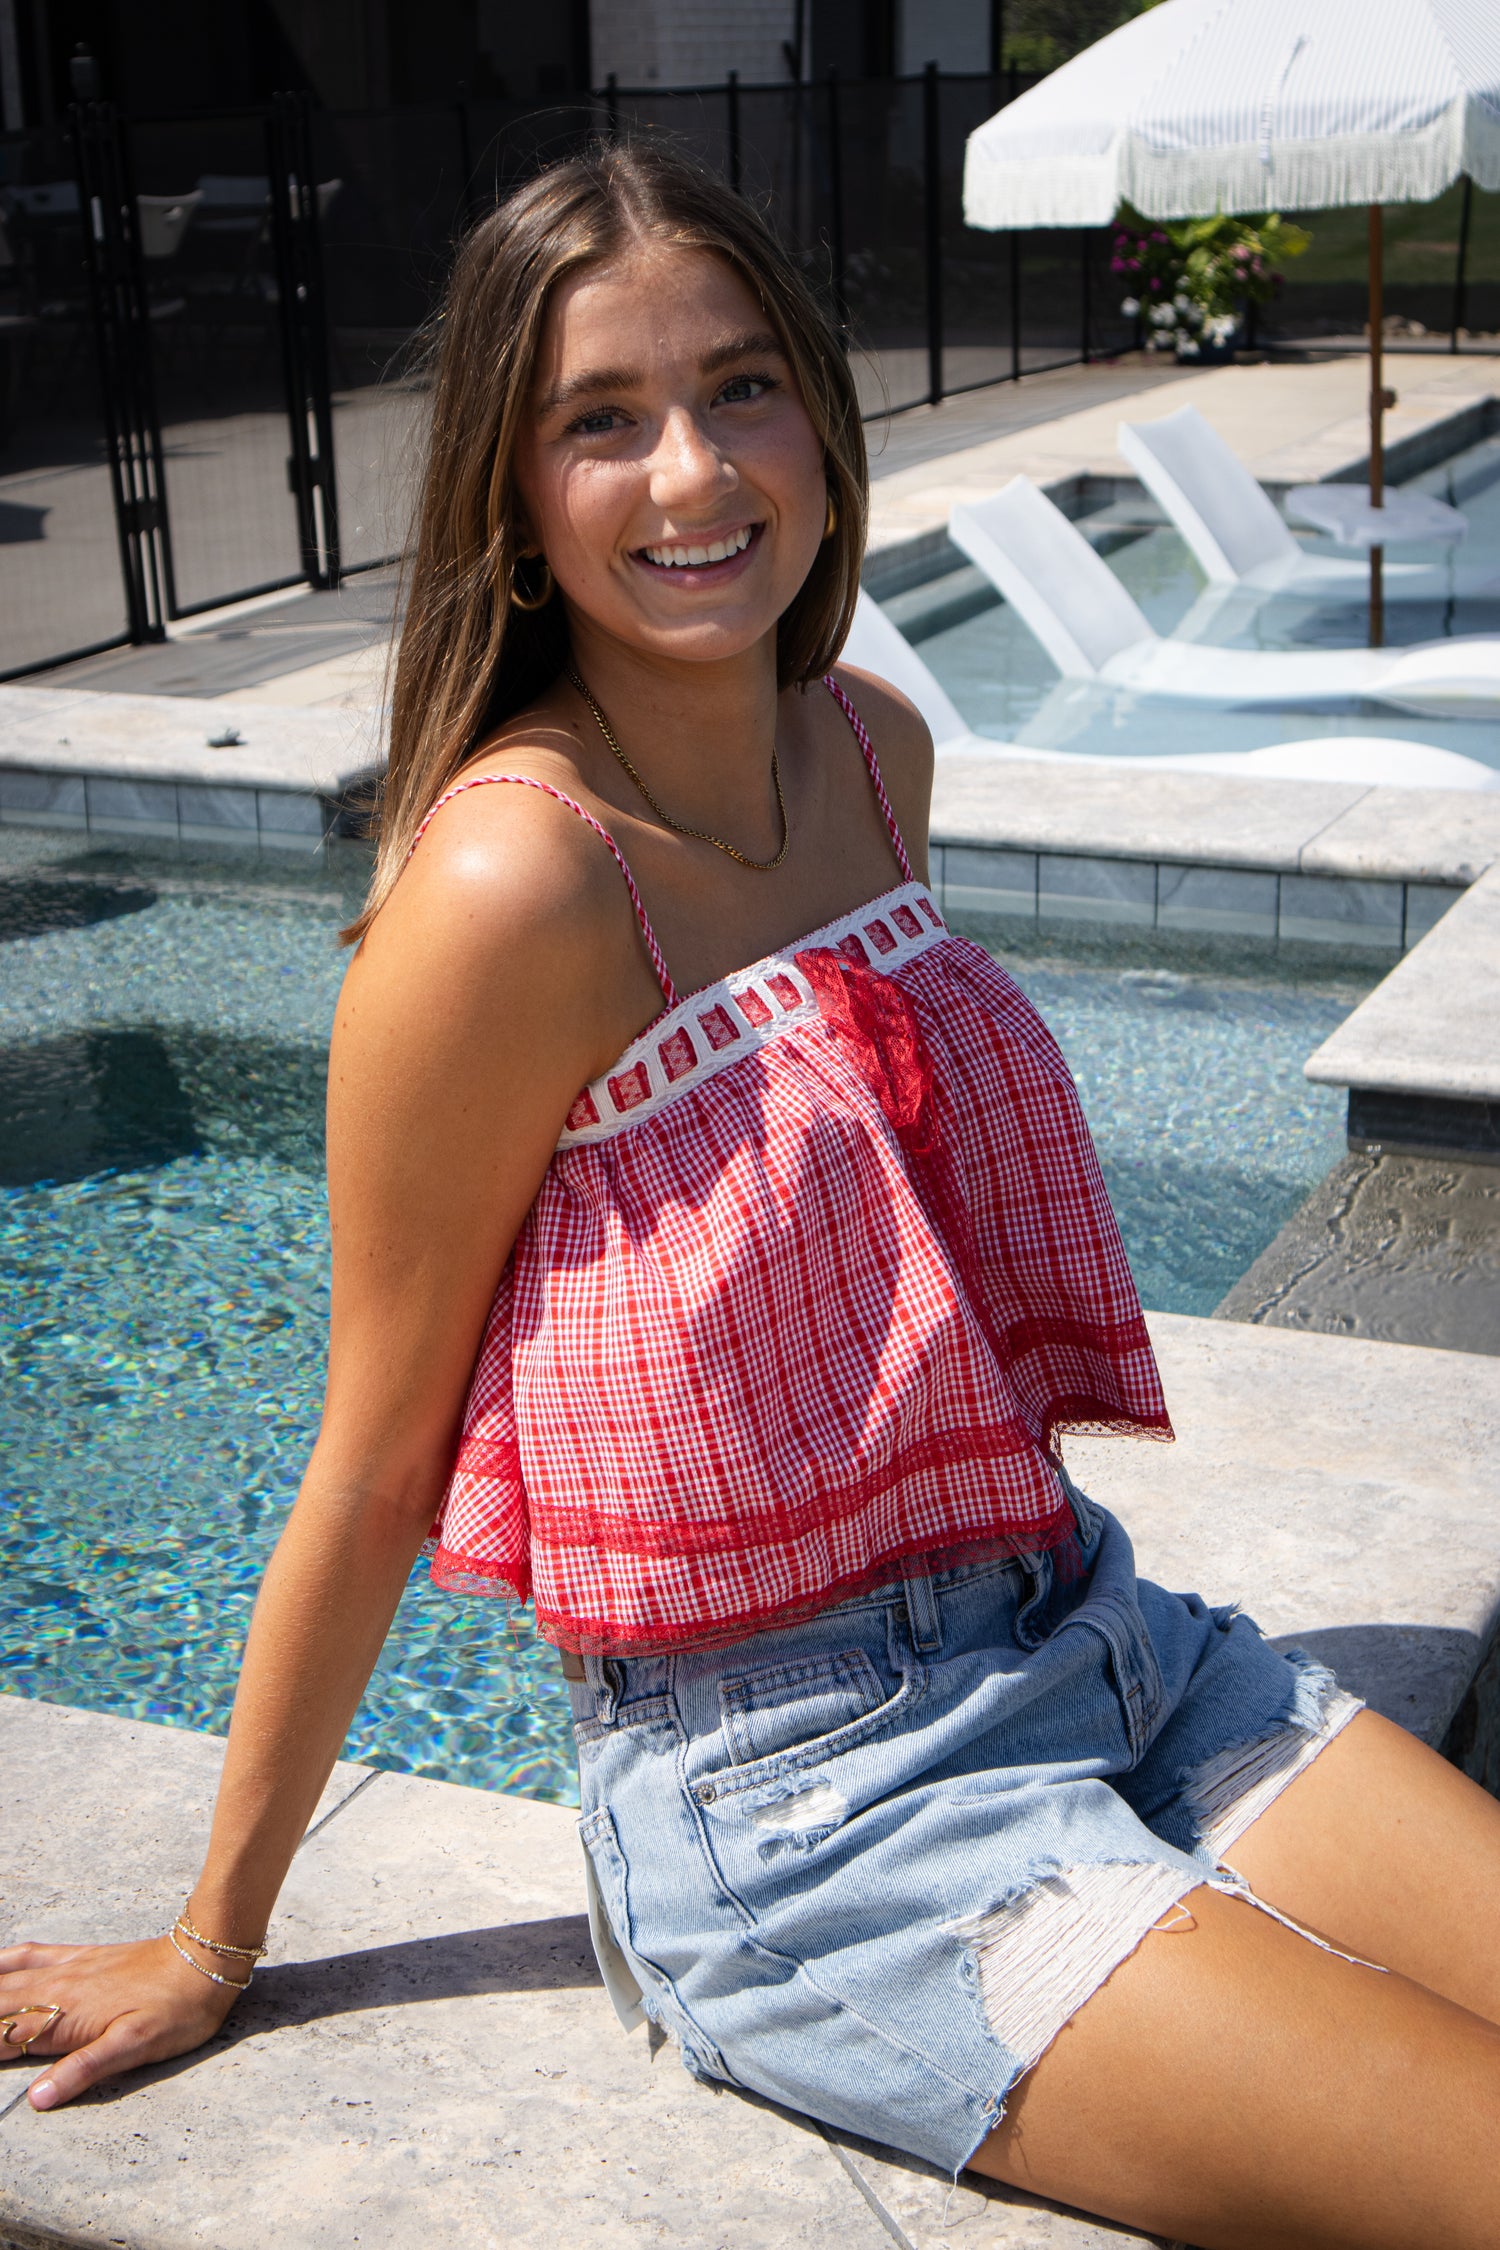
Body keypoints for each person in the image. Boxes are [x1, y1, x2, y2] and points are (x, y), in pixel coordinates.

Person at [4, 143, 1498, 2249]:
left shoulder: (881, 748)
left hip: (1099, 1628)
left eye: (740, 389)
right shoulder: (512, 889)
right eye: (600, 421)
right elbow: (370, 1453)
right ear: (511, 500)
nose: (692, 475)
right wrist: (212, 1934)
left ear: (821, 411)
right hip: (821, 1810)